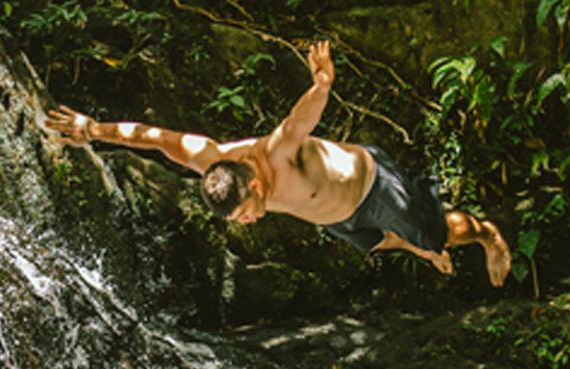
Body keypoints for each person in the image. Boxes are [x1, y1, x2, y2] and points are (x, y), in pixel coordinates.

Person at [44, 40, 512, 286]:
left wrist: (323, 85)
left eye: (243, 213)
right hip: (339, 217)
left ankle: (484, 233)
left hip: (372, 187)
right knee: (376, 245)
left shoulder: (277, 153)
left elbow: (297, 123)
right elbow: (159, 140)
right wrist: (94, 131)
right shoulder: (214, 161)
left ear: (254, 186)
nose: (245, 222)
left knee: (435, 233)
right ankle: (415, 245)